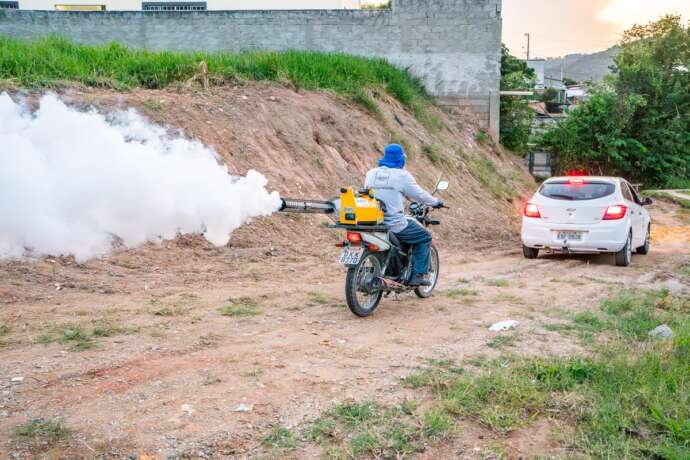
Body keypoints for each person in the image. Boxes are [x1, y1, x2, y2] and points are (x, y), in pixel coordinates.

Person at [364, 144, 443, 286]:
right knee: (424, 237)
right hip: (394, 224)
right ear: (400, 158)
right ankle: (417, 275)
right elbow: (419, 195)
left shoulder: (371, 173)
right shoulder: (402, 175)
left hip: (372, 222)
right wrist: (435, 202)